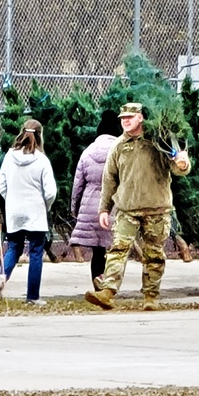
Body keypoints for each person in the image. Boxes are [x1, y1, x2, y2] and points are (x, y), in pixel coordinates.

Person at [84, 102, 191, 311]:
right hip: (127, 209)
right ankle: (108, 292)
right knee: (118, 249)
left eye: (130, 117)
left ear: (140, 118)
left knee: (154, 254)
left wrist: (183, 164)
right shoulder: (118, 146)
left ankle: (151, 296)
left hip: (157, 208)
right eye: (123, 118)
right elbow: (109, 179)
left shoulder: (158, 141)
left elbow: (178, 168)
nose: (125, 121)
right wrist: (104, 209)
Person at [0, 119, 58, 305]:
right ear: (40, 135)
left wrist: (11, 199)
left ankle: (3, 275)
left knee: (14, 247)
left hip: (14, 211)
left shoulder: (9, 156)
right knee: (36, 252)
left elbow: (1, 185)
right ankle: (33, 296)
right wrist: (46, 205)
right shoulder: (42, 160)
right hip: (35, 212)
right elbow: (51, 191)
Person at [69, 110, 122, 288]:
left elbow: (77, 185)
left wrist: (75, 209)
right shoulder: (121, 151)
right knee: (116, 249)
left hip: (91, 208)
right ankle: (109, 285)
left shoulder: (87, 152)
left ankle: (98, 284)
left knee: (98, 252)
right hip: (114, 206)